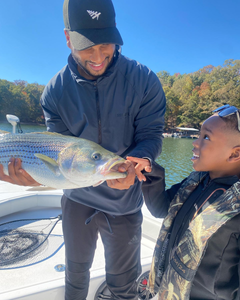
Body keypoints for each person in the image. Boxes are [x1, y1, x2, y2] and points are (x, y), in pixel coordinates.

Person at [0, 0, 166, 299]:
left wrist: (141, 159)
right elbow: (55, 149)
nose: (99, 56)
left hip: (125, 201)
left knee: (124, 285)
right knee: (76, 279)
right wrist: (35, 177)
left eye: (107, 44)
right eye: (87, 46)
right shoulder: (54, 91)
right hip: (76, 198)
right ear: (68, 38)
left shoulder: (144, 80)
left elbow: (151, 133)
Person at [128, 104, 240, 300]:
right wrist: (152, 173)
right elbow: (161, 208)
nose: (195, 143)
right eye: (198, 135)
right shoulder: (197, 182)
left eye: (206, 137)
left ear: (234, 154)